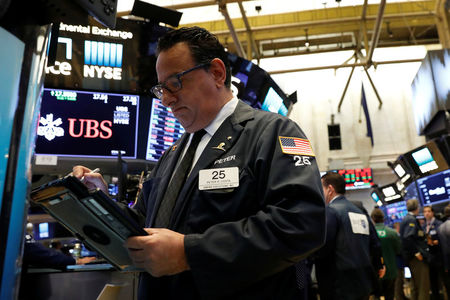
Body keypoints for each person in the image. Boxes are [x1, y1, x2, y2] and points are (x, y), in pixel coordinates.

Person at [73, 26, 326, 299]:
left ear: (217, 73)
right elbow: (147, 226)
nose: (167, 99)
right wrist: (100, 201)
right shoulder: (172, 154)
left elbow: (302, 224)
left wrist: (189, 252)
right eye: (161, 89)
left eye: (176, 83)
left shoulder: (272, 132)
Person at [315, 172, 383, 300]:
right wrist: (378, 264)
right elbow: (375, 243)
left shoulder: (330, 211)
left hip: (339, 284)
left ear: (330, 189)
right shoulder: (360, 211)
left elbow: (324, 247)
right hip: (363, 281)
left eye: (321, 188)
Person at [399, 199, 430, 300]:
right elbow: (408, 237)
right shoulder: (411, 219)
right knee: (422, 287)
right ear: (418, 207)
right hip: (416, 259)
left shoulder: (406, 218)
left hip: (411, 258)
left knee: (415, 287)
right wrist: (417, 253)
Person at [371, 208, 401, 300]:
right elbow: (398, 250)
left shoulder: (369, 233)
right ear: (383, 219)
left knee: (376, 296)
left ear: (372, 219)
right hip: (391, 271)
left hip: (376, 272)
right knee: (390, 296)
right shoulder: (392, 233)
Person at [423, 205, 449, 300]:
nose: (427, 213)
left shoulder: (439, 224)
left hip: (440, 257)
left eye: (429, 211)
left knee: (445, 281)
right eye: (425, 211)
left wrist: (436, 242)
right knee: (433, 283)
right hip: (429, 259)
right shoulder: (423, 226)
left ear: (432, 212)